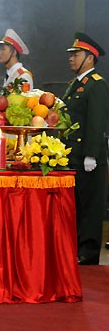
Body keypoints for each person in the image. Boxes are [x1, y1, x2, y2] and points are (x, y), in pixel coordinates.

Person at [62, 32, 109, 265]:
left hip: (89, 156)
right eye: (71, 54)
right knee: (77, 205)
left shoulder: (96, 85)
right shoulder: (76, 85)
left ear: (90, 57)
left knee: (90, 206)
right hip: (74, 156)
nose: (71, 58)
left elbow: (97, 121)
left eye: (76, 54)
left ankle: (88, 253)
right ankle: (77, 248)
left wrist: (92, 153)